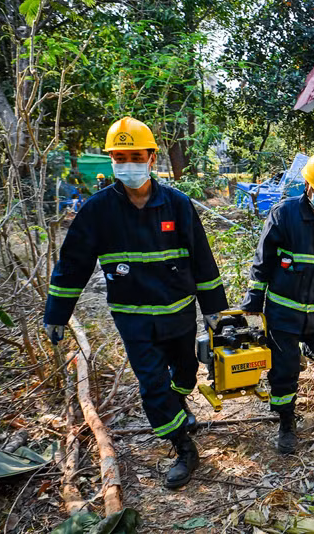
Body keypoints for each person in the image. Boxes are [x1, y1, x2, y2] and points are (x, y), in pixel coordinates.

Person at [43, 116, 227, 489]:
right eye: (119, 156)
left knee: (185, 375)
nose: (127, 163)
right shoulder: (98, 211)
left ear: (151, 157)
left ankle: (179, 407)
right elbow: (73, 265)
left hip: (179, 315)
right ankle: (183, 447)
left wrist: (213, 309)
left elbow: (202, 259)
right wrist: (57, 313)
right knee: (152, 383)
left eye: (134, 155)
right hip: (134, 319)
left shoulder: (177, 205)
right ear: (112, 160)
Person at [241, 151, 314, 454]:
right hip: (283, 311)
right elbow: (263, 260)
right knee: (284, 369)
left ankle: (305, 347)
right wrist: (253, 299)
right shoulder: (285, 214)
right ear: (308, 186)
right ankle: (286, 422)